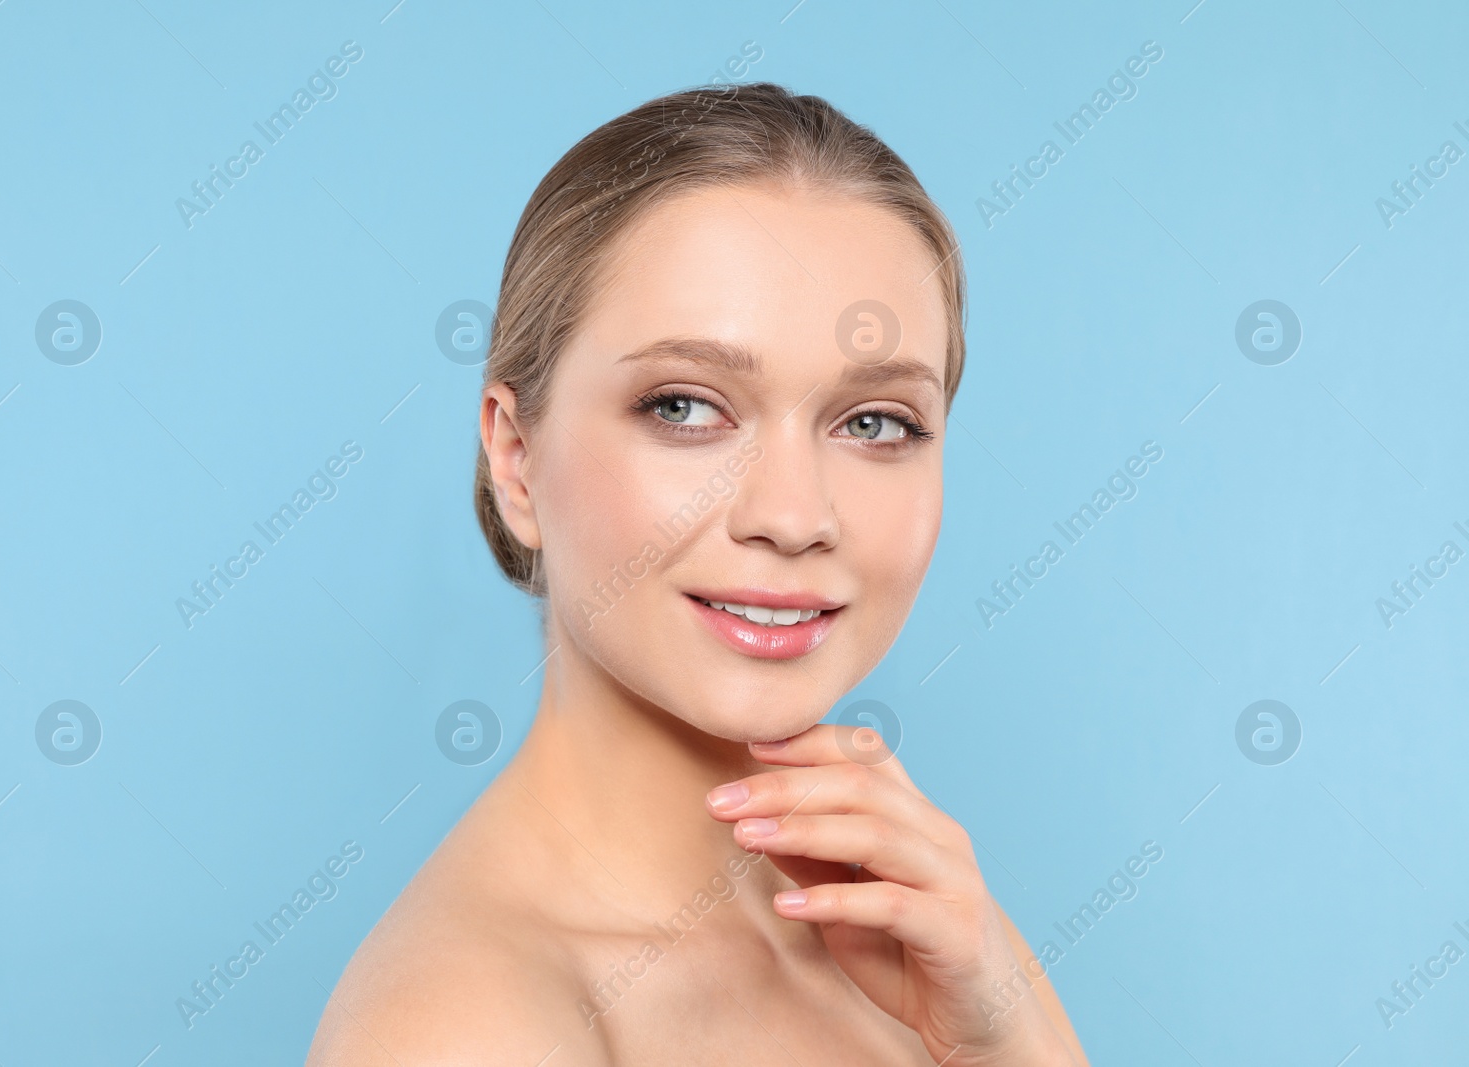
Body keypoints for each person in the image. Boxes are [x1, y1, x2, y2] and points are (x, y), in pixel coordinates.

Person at [307, 82, 1089, 1066]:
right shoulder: (466, 1029)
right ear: (515, 459)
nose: (795, 515)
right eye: (684, 406)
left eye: (875, 421)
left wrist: (1006, 1033)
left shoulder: (930, 935)